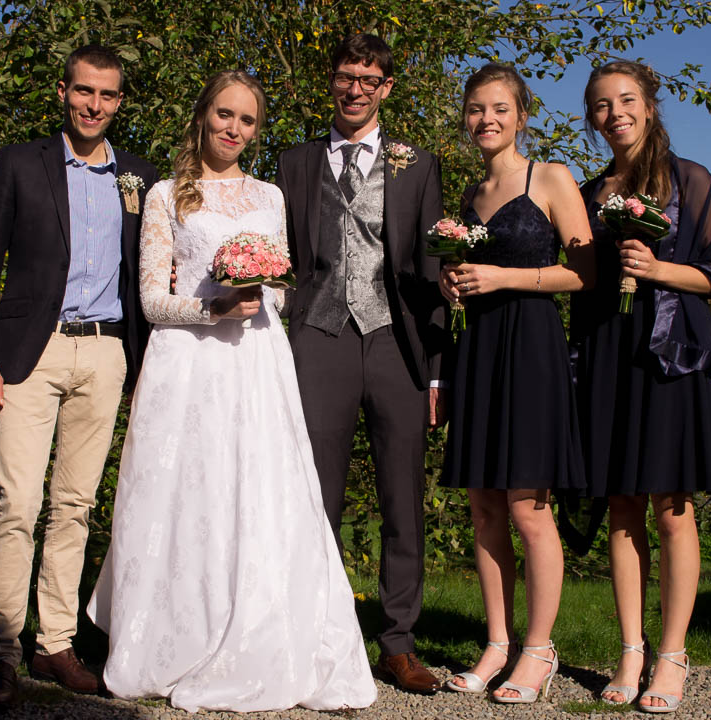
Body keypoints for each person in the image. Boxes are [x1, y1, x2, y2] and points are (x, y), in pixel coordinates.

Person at [85, 70, 377, 713]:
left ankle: (261, 631)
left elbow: (278, 286)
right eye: (224, 114)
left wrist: (256, 287)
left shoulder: (270, 196)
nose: (233, 129)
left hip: (253, 365)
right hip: (185, 365)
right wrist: (210, 306)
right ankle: (168, 636)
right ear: (203, 115)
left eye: (246, 120)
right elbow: (153, 300)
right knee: (184, 491)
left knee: (254, 490)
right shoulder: (165, 195)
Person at [0, 45, 157, 708]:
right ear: (63, 93)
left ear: (119, 101)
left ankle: (55, 645)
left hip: (105, 354)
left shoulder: (138, 177)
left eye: (106, 95)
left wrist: (146, 365)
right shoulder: (22, 163)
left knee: (74, 506)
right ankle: (1, 652)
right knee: (15, 504)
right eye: (83, 92)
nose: (93, 105)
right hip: (29, 352)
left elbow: (149, 276)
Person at [275, 33, 448, 694]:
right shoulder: (292, 162)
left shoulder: (418, 166)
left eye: (367, 79)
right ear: (331, 81)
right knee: (312, 496)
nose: (354, 88)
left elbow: (430, 271)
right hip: (316, 336)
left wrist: (435, 369)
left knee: (400, 496)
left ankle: (396, 642)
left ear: (386, 89)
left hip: (393, 342)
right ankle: (312, 633)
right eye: (345, 76)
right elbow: (282, 254)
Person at [573, 60, 711, 713]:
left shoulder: (689, 180)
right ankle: (630, 649)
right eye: (601, 105)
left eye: (625, 100)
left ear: (648, 104)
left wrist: (658, 267)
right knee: (620, 504)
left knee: (670, 506)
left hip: (669, 351)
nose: (615, 113)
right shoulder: (587, 193)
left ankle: (671, 654)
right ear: (591, 118)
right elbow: (580, 280)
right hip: (610, 351)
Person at [437, 63, 592, 703]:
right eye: (475, 109)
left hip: (530, 349)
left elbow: (584, 271)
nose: (486, 120)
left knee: (529, 509)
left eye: (499, 108)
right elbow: (462, 280)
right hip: (476, 351)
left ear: (521, 115)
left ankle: (539, 650)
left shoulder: (549, 178)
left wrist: (503, 279)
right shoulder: (469, 196)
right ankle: (497, 642)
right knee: (484, 507)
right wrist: (454, 286)